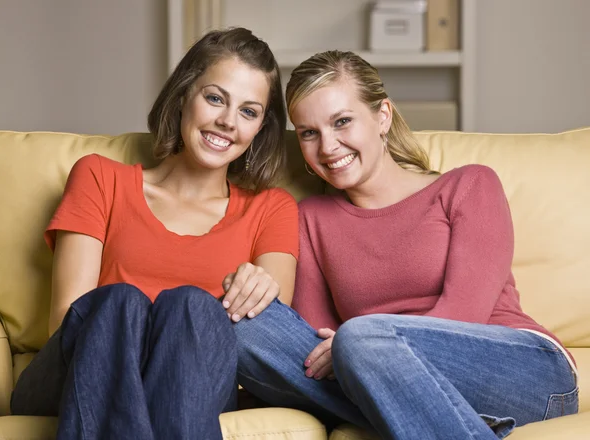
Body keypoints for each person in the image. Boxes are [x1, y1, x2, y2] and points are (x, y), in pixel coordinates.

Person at [233, 50, 578, 439]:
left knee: (360, 339)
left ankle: (408, 400)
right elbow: (313, 345)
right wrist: (363, 353)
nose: (328, 147)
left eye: (342, 122)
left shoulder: (469, 185)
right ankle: (458, 424)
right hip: (374, 367)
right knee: (243, 327)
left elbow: (464, 311)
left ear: (382, 116)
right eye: (309, 133)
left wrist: (364, 345)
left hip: (520, 368)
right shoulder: (312, 216)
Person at [10, 27, 298, 440]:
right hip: (79, 369)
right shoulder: (99, 177)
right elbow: (67, 321)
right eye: (215, 98)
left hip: (197, 385)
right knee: (117, 303)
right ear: (184, 95)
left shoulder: (272, 209)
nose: (227, 122)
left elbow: (261, 340)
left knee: (191, 308)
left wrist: (253, 290)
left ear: (259, 129)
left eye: (248, 112)